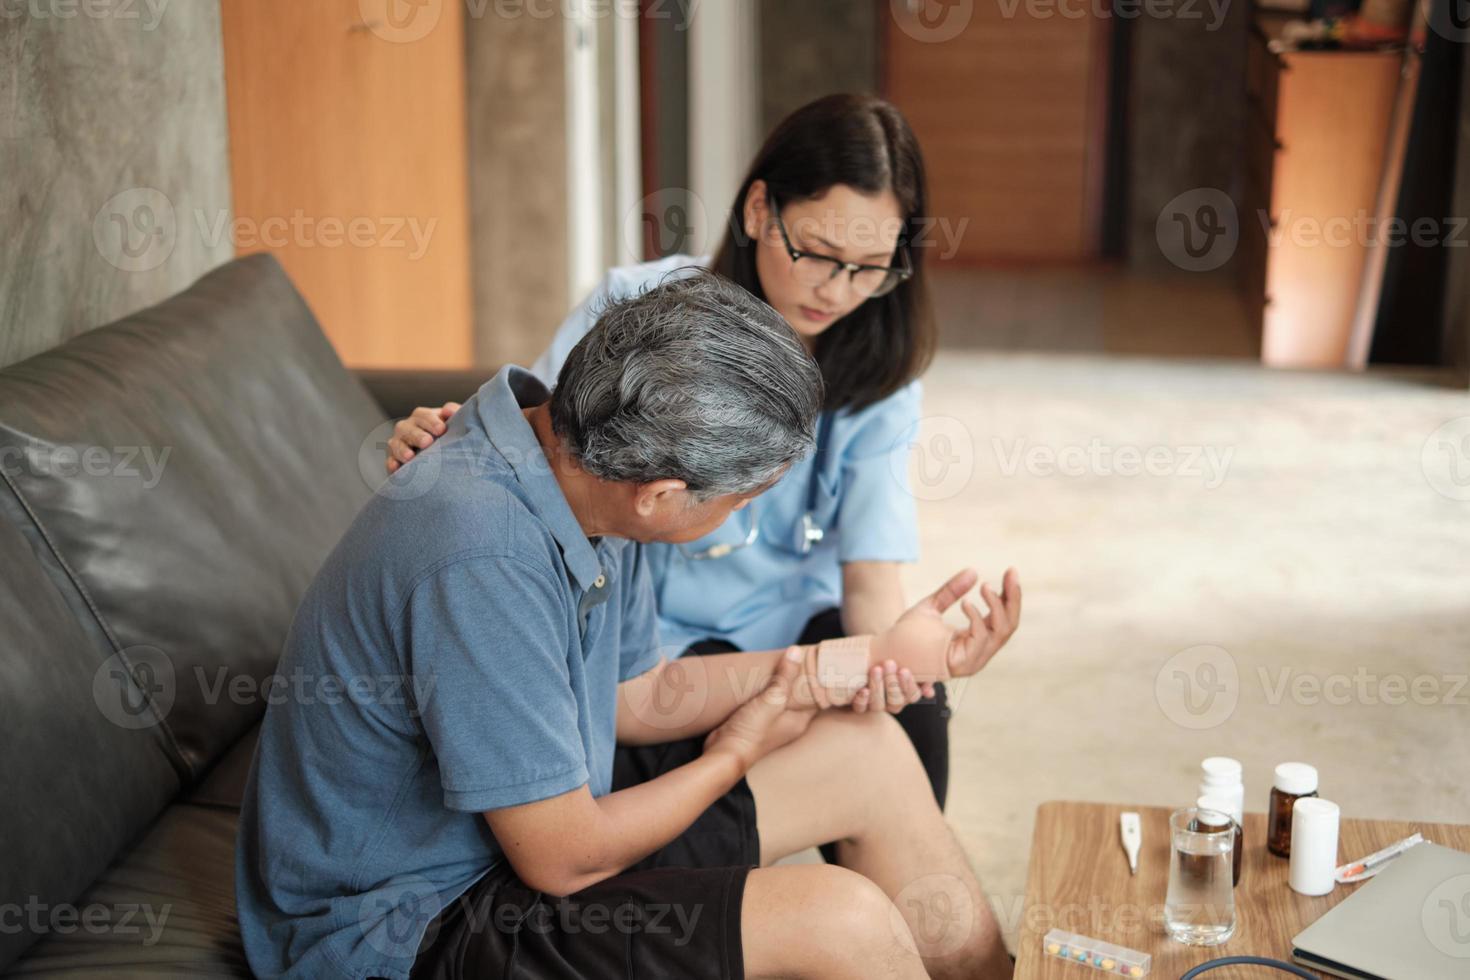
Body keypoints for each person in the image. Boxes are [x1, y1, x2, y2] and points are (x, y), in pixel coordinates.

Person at [236, 272, 1016, 979]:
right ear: (663, 494)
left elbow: (638, 697)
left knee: (863, 750)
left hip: (517, 829)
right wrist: (734, 752)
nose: (739, 514)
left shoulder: (579, 453)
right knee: (842, 922)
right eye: (740, 499)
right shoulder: (481, 556)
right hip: (405, 927)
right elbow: (565, 861)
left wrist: (861, 659)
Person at [387, 94, 1022, 812]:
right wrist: (447, 445)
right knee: (655, 754)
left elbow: (869, 578)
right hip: (651, 640)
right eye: (816, 252)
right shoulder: (639, 305)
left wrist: (896, 662)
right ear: (758, 210)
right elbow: (544, 445)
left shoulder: (879, 374)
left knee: (912, 712)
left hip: (791, 624)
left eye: (871, 267)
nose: (837, 290)